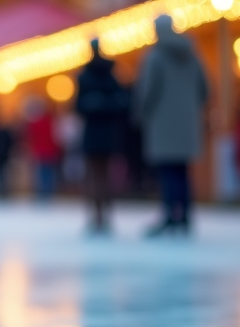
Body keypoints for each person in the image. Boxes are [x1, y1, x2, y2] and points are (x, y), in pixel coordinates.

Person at [134, 15, 209, 237]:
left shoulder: (155, 57)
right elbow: (205, 88)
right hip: (187, 124)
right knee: (183, 170)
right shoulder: (193, 55)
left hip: (162, 124)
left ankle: (170, 215)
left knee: (167, 171)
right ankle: (184, 216)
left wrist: (141, 114)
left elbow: (147, 92)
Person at [75, 39, 129, 233]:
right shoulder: (111, 76)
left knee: (95, 176)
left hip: (94, 133)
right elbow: (122, 103)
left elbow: (77, 106)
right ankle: (104, 216)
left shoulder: (85, 76)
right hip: (107, 133)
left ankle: (98, 216)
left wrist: (95, 104)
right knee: (104, 175)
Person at [23, 98, 61, 200]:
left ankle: (42, 193)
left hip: (40, 151)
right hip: (50, 151)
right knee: (49, 173)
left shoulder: (36, 123)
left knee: (41, 173)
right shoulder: (52, 122)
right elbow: (56, 137)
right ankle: (48, 193)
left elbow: (31, 137)